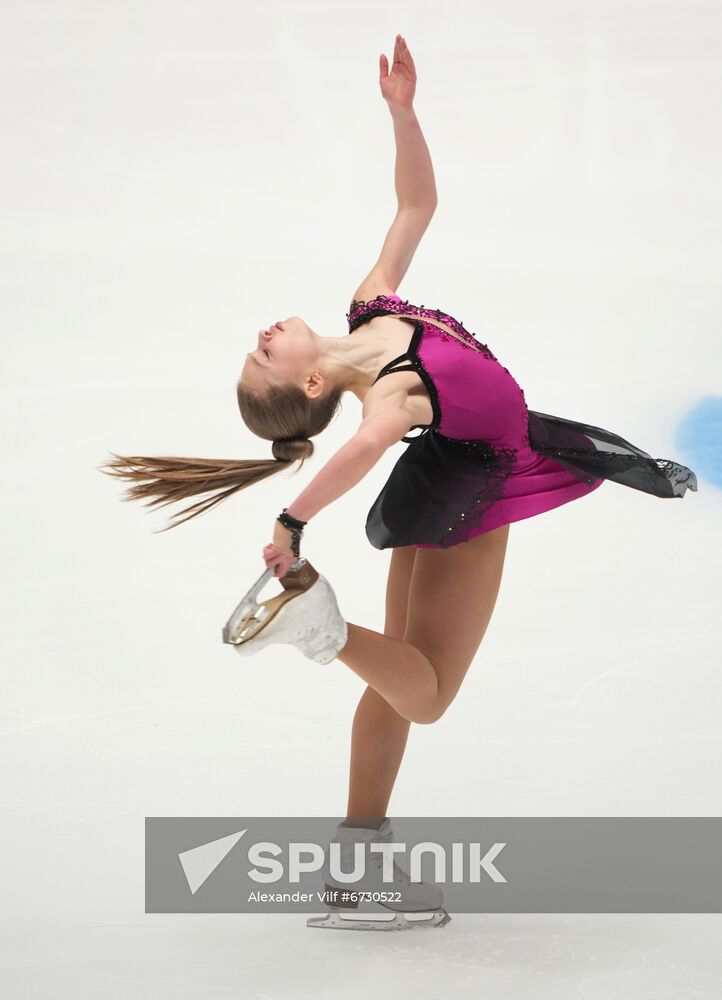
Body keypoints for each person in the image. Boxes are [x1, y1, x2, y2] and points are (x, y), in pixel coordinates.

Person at [98, 34, 697, 931]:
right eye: (265, 353)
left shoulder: (374, 307)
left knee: (397, 685)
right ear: (309, 386)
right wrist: (293, 519)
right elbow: (367, 446)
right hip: (473, 489)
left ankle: (354, 865)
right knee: (429, 692)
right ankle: (320, 626)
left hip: (445, 478)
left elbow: (417, 201)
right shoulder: (392, 387)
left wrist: (402, 113)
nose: (264, 331)